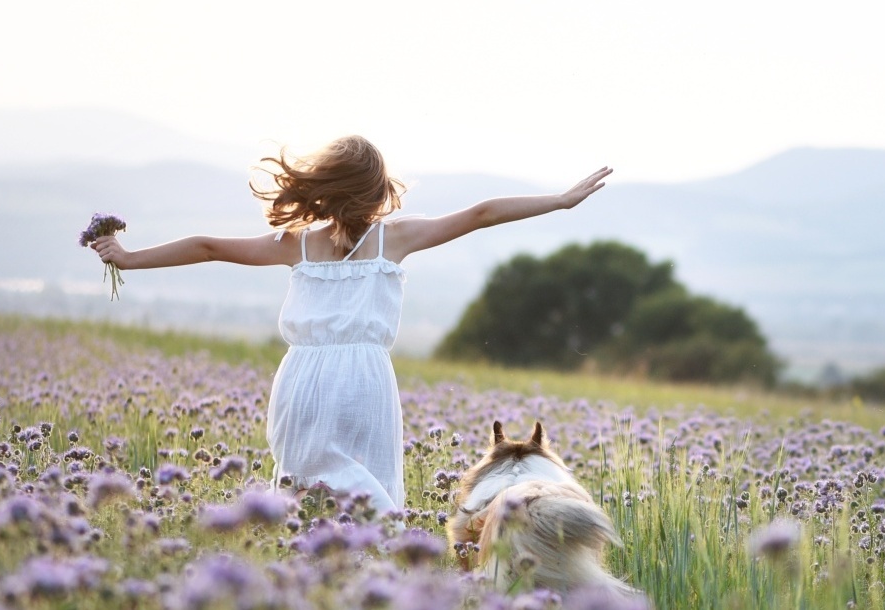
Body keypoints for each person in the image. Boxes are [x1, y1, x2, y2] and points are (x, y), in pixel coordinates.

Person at [90, 135, 610, 512]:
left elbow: (206, 246)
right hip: (364, 380)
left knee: (303, 493)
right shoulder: (395, 239)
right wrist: (559, 201)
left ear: (324, 187)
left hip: (302, 379)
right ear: (377, 190)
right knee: (369, 497)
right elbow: (482, 212)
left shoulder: (297, 244)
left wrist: (131, 258)